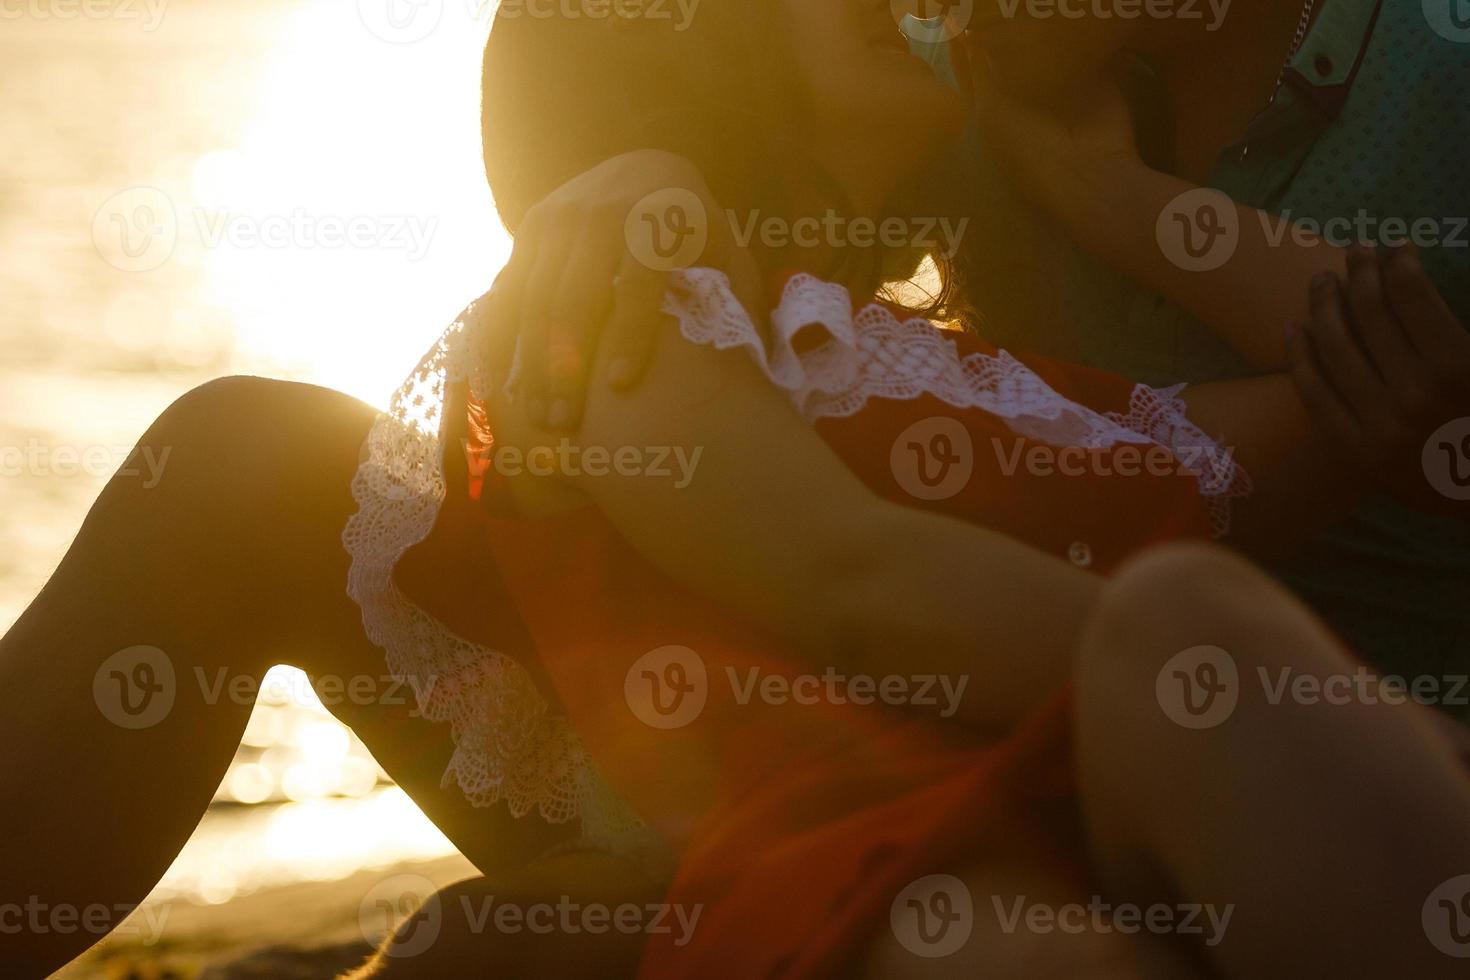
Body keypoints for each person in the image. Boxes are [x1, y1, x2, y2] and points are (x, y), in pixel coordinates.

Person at [2, 2, 1466, 978]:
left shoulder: (999, 271)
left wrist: (1101, 197)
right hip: (878, 774)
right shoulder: (737, 259)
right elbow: (850, 572)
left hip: (1163, 788)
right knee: (240, 468)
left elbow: (1341, 401)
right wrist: (634, 170)